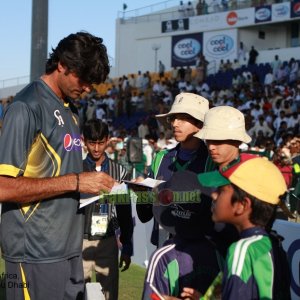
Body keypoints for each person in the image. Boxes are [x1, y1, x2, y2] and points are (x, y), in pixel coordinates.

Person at [0, 32, 115, 300]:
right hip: (34, 253)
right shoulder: (26, 106)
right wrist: (77, 181)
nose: (87, 87)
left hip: (69, 249)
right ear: (62, 64)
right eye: (83, 79)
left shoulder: (71, 110)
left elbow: (63, 176)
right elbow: (3, 187)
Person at [197, 154, 292, 300]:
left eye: (221, 190)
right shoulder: (274, 244)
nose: (214, 195)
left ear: (242, 205)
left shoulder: (242, 249)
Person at [135, 92, 211, 248]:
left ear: (200, 124)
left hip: (196, 254)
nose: (175, 123)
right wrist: (142, 193)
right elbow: (145, 215)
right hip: (162, 247)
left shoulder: (211, 163)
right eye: (174, 118)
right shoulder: (161, 158)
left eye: (183, 118)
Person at [82, 119, 133, 300]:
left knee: (110, 295)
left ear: (108, 140)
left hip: (108, 242)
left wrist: (127, 246)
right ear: (83, 140)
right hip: (80, 243)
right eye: (92, 143)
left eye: (101, 143)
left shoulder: (119, 172)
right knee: (78, 294)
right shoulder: (75, 170)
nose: (96, 148)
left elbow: (125, 212)